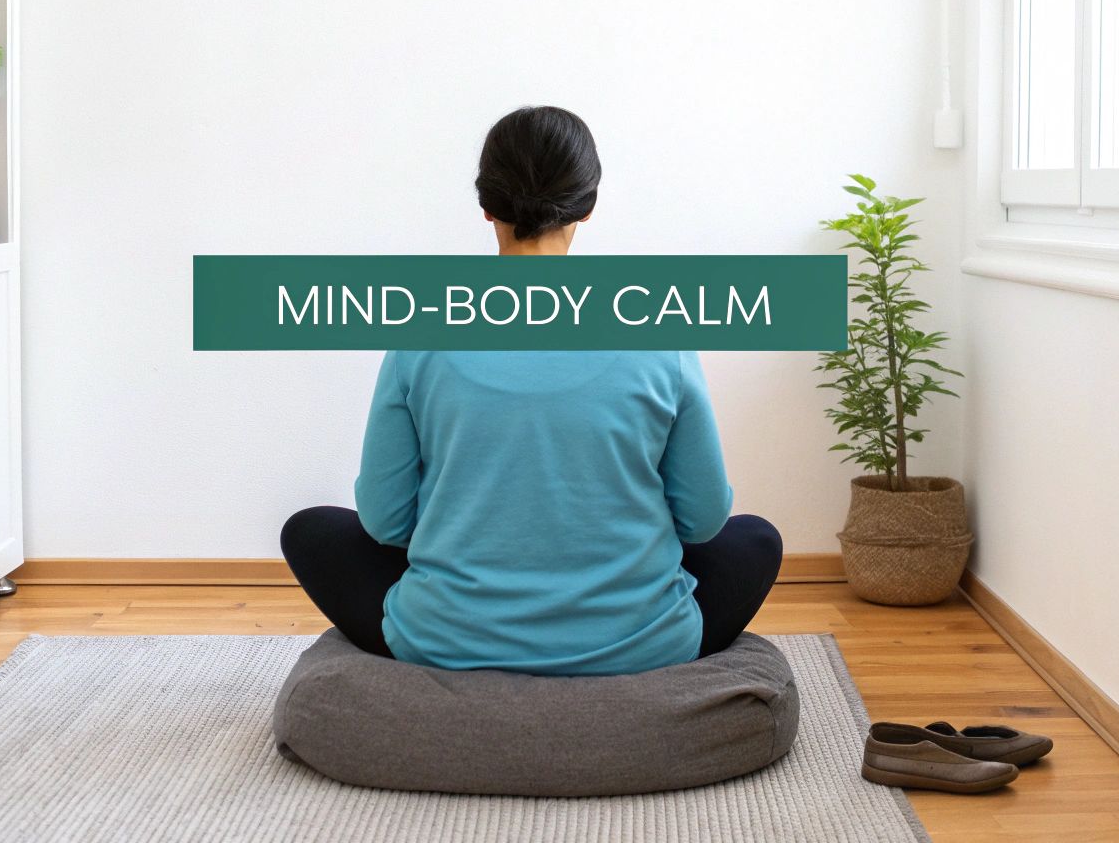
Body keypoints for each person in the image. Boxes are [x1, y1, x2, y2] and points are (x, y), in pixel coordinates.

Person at [280, 106, 782, 675]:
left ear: (486, 205)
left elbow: (385, 523)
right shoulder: (660, 331)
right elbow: (703, 520)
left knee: (311, 532)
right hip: (639, 641)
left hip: (447, 636)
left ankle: (463, 636)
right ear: (587, 206)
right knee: (755, 541)